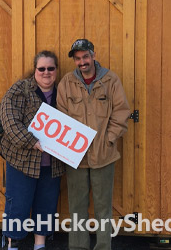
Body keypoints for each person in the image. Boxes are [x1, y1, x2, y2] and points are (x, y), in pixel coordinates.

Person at [57, 39, 131, 250]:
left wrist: (109, 139)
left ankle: (103, 247)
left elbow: (121, 111)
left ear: (93, 55)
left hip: (104, 156)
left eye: (85, 57)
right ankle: (78, 247)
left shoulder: (111, 80)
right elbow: (61, 115)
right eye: (78, 58)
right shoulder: (66, 83)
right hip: (76, 158)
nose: (82, 62)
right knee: (77, 208)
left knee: (103, 208)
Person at [0, 50, 65, 250]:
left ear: (56, 70)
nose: (46, 72)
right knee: (17, 204)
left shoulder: (64, 91)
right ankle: (12, 244)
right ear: (35, 70)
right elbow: (9, 121)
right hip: (22, 160)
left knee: (46, 204)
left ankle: (40, 244)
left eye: (50, 68)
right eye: (41, 68)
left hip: (52, 163)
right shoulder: (21, 89)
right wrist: (31, 141)